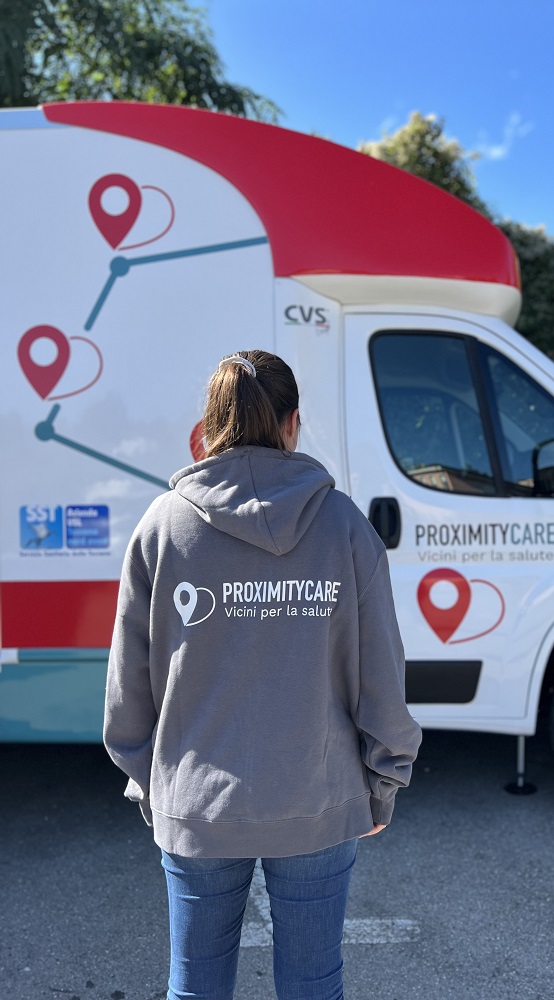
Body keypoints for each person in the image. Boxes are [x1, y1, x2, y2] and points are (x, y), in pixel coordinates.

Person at [104, 349, 422, 1000]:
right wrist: (383, 783)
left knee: (195, 986)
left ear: (209, 426)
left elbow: (127, 690)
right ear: (292, 422)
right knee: (312, 984)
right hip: (318, 799)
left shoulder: (162, 527)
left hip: (196, 805)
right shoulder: (343, 525)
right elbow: (382, 674)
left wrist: (154, 787)